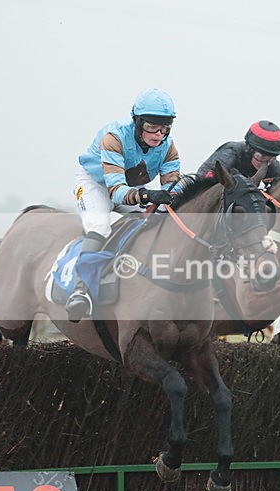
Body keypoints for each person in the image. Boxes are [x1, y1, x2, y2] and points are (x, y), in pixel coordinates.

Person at [66, 88, 181, 321]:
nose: (159, 134)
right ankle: (80, 290)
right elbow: (116, 192)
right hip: (97, 184)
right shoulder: (115, 138)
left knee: (156, 221)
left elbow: (173, 187)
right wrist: (149, 197)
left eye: (165, 128)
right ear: (137, 123)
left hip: (130, 188)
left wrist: (174, 196)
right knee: (99, 225)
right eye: (151, 127)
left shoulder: (168, 147)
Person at [196, 120, 280, 188]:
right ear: (249, 150)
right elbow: (207, 181)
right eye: (262, 156)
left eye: (272, 158)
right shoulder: (230, 152)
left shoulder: (272, 165)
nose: (266, 164)